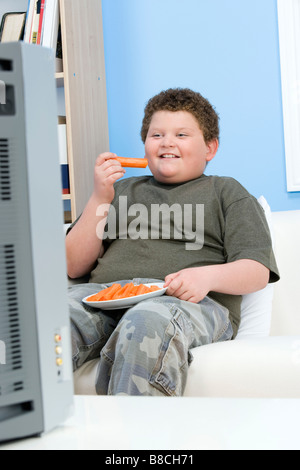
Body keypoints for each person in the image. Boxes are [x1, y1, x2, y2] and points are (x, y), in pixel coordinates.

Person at [66, 88, 279, 396]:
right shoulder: (121, 190)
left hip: (188, 306)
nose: (167, 142)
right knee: (51, 316)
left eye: (181, 134)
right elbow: (74, 264)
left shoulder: (227, 192)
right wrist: (100, 196)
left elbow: (257, 271)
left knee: (145, 323)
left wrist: (206, 277)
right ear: (145, 146)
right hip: (107, 296)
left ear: (210, 148)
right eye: (157, 135)